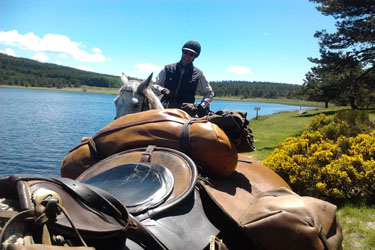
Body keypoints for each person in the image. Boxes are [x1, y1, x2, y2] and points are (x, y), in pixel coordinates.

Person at [152, 40, 214, 116]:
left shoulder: (199, 74)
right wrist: (162, 90)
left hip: (186, 112)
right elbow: (153, 85)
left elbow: (209, 93)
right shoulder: (167, 68)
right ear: (182, 52)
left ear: (195, 57)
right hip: (165, 108)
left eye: (191, 54)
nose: (187, 56)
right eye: (185, 52)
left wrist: (202, 106)